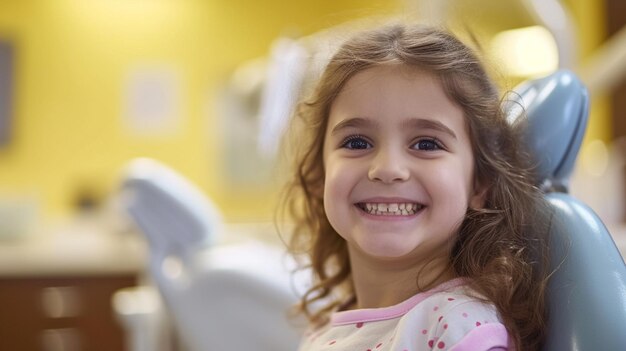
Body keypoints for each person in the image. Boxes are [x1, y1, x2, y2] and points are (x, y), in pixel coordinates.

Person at [281, 22, 551, 351]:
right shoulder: (327, 328)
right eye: (356, 142)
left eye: (425, 144)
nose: (387, 169)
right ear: (321, 175)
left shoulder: (459, 329)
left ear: (480, 183)